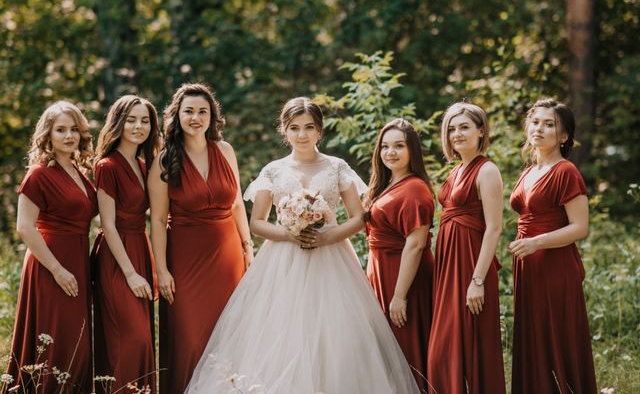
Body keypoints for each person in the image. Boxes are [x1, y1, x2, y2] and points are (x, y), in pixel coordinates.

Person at [186, 97, 420, 394]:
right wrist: (288, 233)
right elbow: (257, 222)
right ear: (285, 131)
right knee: (283, 333)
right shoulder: (273, 170)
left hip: (332, 259)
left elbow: (359, 217)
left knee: (334, 334)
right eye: (294, 128)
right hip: (283, 260)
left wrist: (327, 236)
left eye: (309, 127)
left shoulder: (337, 168)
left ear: (319, 131)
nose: (302, 134)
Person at [148, 83, 253, 394]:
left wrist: (248, 248)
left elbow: (236, 204)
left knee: (231, 334)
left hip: (229, 257)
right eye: (189, 111)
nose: (195, 117)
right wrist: (161, 270)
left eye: (202, 111)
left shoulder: (225, 151)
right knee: (191, 339)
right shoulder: (165, 160)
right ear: (177, 116)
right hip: (185, 260)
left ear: (212, 117)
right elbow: (155, 219)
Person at [7, 101, 98, 393]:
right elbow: (24, 227)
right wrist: (58, 270)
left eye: (74, 129)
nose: (69, 135)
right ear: (48, 134)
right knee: (58, 342)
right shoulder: (38, 174)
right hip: (50, 266)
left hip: (78, 263)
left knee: (78, 344)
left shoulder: (78, 171)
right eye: (61, 130)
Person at [509, 98, 597, 394]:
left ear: (563, 136)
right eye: (536, 122)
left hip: (555, 267)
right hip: (528, 267)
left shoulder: (565, 171)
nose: (540, 128)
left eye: (550, 124)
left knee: (556, 335)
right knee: (534, 337)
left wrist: (537, 242)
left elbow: (580, 227)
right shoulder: (529, 172)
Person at [427, 102, 506, 393]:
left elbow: (494, 227)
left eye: (464, 127)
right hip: (448, 265)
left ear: (481, 130)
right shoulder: (455, 171)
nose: (457, 134)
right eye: (451, 128)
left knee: (470, 344)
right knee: (443, 348)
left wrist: (477, 280)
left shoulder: (487, 171)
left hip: (471, 265)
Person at [92, 95, 160, 392]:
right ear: (118, 123)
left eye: (145, 120)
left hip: (139, 247)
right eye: (131, 120)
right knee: (132, 337)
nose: (138, 126)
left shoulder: (144, 165)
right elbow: (107, 224)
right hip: (116, 255)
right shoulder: (107, 166)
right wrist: (131, 273)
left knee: (145, 335)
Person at [363, 118, 435, 390]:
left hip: (404, 278)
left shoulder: (415, 188)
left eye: (399, 146)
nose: (390, 152)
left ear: (412, 151)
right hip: (382, 272)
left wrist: (400, 295)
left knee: (406, 347)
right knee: (386, 350)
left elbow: (415, 244)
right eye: (385, 146)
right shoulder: (387, 183)